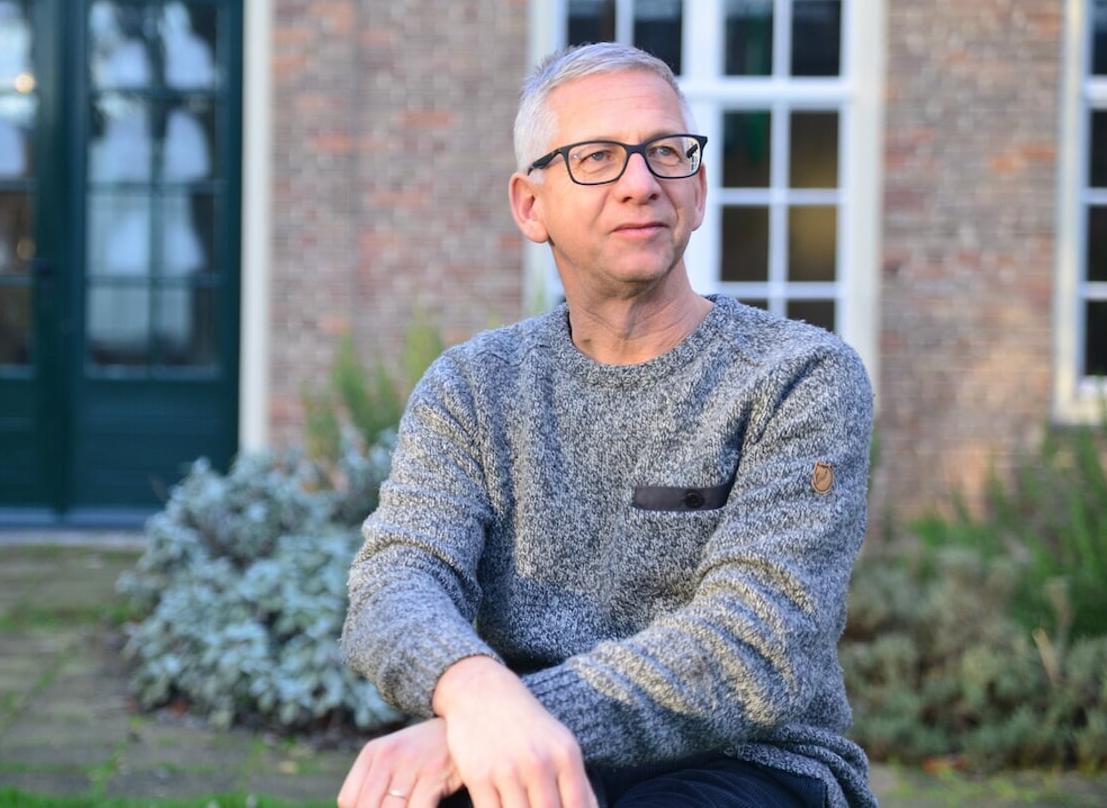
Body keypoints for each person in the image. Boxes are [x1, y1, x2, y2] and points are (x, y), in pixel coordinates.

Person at [337, 42, 877, 808]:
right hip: (522, 758)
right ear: (531, 205)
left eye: (666, 152)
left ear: (698, 189)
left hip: (752, 763)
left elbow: (755, 643)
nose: (641, 182)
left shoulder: (800, 376)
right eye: (597, 157)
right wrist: (473, 687)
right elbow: (397, 581)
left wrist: (501, 718)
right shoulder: (471, 386)